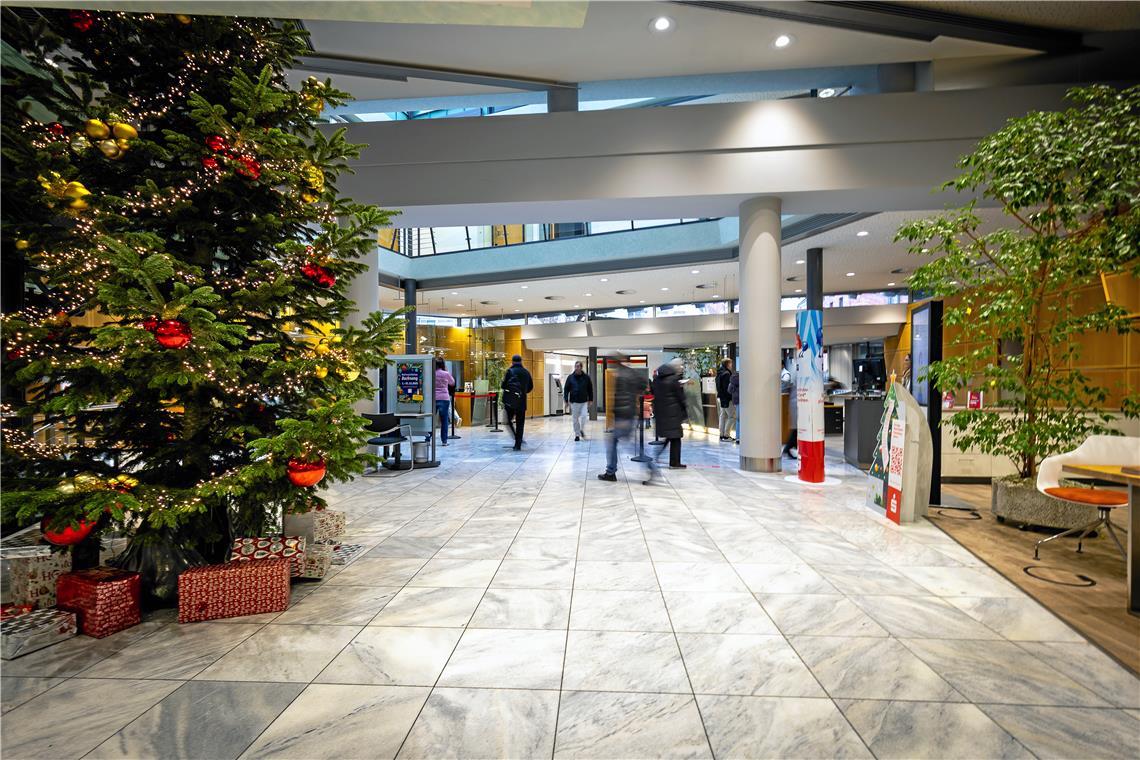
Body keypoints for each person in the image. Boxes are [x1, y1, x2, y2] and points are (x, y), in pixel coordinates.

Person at [597, 354, 648, 482]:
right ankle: (611, 471)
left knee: (619, 443)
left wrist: (619, 417)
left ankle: (611, 472)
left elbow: (620, 399)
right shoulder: (632, 373)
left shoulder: (621, 376)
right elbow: (643, 384)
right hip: (628, 414)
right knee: (620, 443)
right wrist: (636, 395)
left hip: (624, 416)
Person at [647, 357, 687, 480]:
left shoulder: (658, 379)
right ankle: (674, 462)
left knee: (670, 437)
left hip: (662, 413)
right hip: (673, 413)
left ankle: (666, 460)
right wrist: (685, 410)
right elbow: (680, 397)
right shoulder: (674, 380)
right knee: (675, 438)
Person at [501, 354, 533, 451]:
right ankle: (518, 444)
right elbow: (530, 387)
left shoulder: (510, 371)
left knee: (508, 421)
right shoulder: (526, 372)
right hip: (522, 402)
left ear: (512, 361)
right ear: (521, 361)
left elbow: (503, 386)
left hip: (510, 401)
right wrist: (522, 392)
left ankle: (515, 436)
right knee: (520, 423)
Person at [563, 360, 594, 442]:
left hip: (584, 401)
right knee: (575, 419)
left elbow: (590, 389)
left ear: (581, 367)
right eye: (575, 366)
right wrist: (566, 400)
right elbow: (566, 389)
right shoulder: (570, 377)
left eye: (578, 366)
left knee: (584, 416)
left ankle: (581, 430)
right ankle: (577, 434)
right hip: (574, 402)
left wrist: (591, 399)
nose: (576, 368)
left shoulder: (586, 377)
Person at [433, 358, 455, 446]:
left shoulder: (432, 373)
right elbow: (452, 382)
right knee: (444, 420)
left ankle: (427, 439)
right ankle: (444, 441)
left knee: (431, 420)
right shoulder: (446, 373)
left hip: (433, 398)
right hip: (444, 398)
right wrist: (446, 371)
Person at [716, 358, 736, 441]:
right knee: (732, 416)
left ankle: (721, 435)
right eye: (730, 363)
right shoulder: (727, 374)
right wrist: (730, 397)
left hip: (721, 397)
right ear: (728, 364)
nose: (731, 365)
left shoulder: (719, 373)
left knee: (723, 416)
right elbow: (727, 388)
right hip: (726, 399)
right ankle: (726, 435)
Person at [781, 360, 798, 459]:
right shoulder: (794, 371)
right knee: (796, 429)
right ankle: (788, 448)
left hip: (795, 402)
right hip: (795, 402)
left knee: (796, 429)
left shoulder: (787, 373)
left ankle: (788, 448)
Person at [728, 369, 741, 444]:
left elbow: (729, 390)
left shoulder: (732, 379)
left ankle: (738, 437)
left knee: (738, 419)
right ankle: (741, 437)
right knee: (742, 420)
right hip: (742, 400)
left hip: (735, 401)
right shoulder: (743, 379)